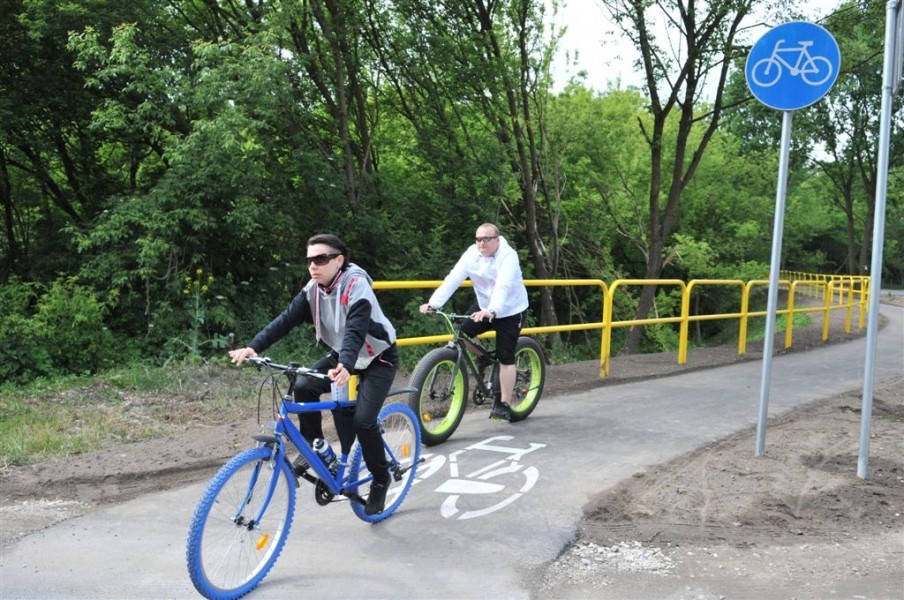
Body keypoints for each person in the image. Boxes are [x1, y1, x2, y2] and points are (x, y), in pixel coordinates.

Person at [229, 234, 398, 515]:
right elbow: (285, 320)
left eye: (320, 259)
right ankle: (316, 447)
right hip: (343, 354)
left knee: (363, 422)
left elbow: (356, 329)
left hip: (378, 357)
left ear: (339, 260)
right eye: (309, 260)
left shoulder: (356, 286)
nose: (313, 266)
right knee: (305, 387)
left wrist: (345, 363)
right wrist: (253, 347)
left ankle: (381, 479)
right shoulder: (313, 289)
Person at [419, 223, 529, 422]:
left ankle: (503, 403)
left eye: (486, 239)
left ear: (497, 239)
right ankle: (484, 357)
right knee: (461, 332)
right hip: (483, 305)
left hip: (510, 310)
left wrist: (492, 311)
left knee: (506, 356)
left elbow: (503, 285)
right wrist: (434, 303)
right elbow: (453, 278)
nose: (481, 243)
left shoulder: (508, 256)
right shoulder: (471, 254)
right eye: (478, 239)